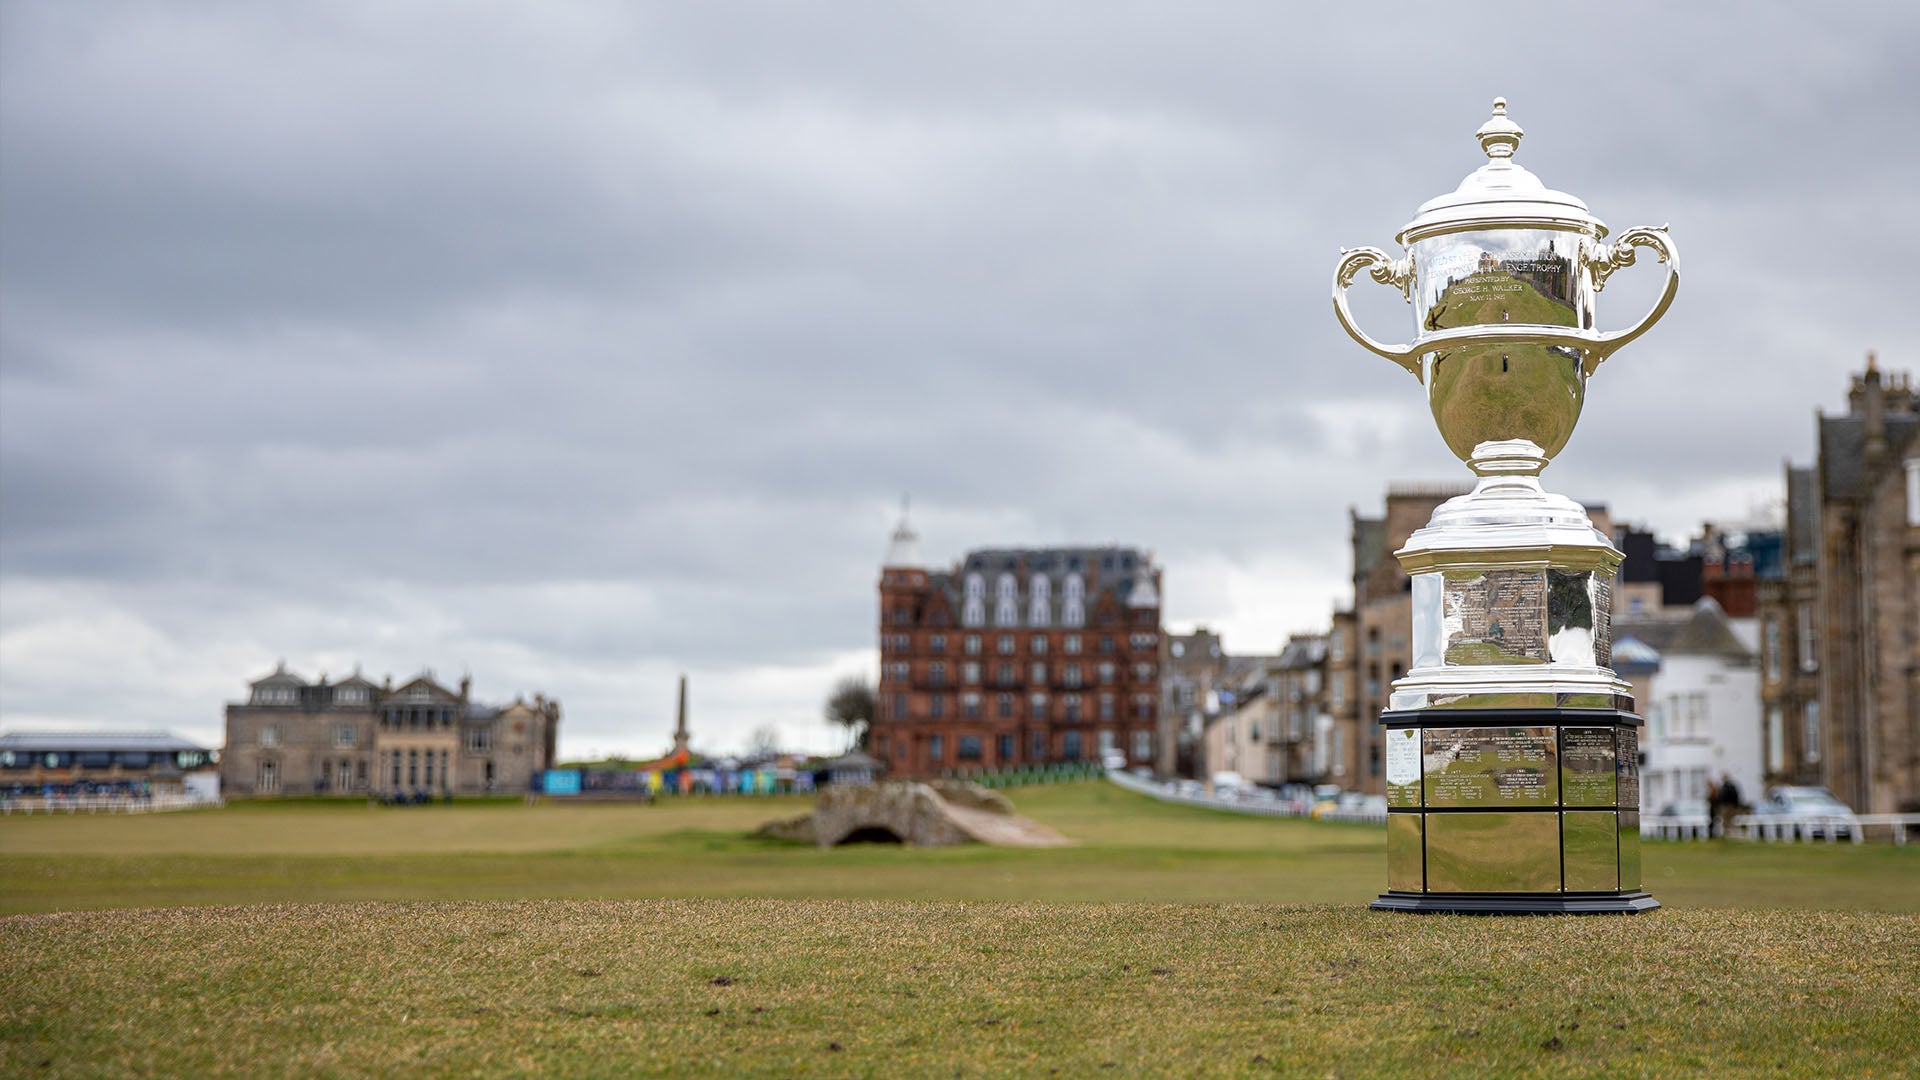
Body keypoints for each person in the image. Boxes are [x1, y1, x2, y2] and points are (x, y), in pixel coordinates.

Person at [1715, 773, 1743, 839]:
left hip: (1730, 805)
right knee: (1725, 819)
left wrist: (1735, 805)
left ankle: (1731, 832)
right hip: (1725, 805)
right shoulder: (1723, 786)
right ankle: (1727, 832)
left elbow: (1735, 796)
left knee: (1730, 819)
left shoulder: (1730, 786)